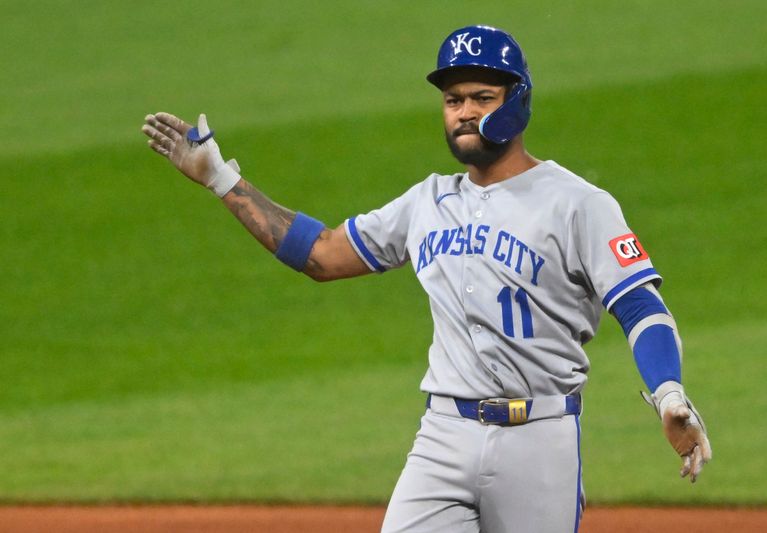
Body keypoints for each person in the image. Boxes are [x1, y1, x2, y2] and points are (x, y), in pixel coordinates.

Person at [142, 24, 711, 533]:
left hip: (539, 442)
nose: (464, 111)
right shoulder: (428, 202)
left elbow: (640, 306)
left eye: (482, 98)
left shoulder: (578, 204)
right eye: (453, 99)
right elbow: (319, 254)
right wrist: (220, 178)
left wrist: (668, 394)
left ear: (520, 103)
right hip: (445, 435)